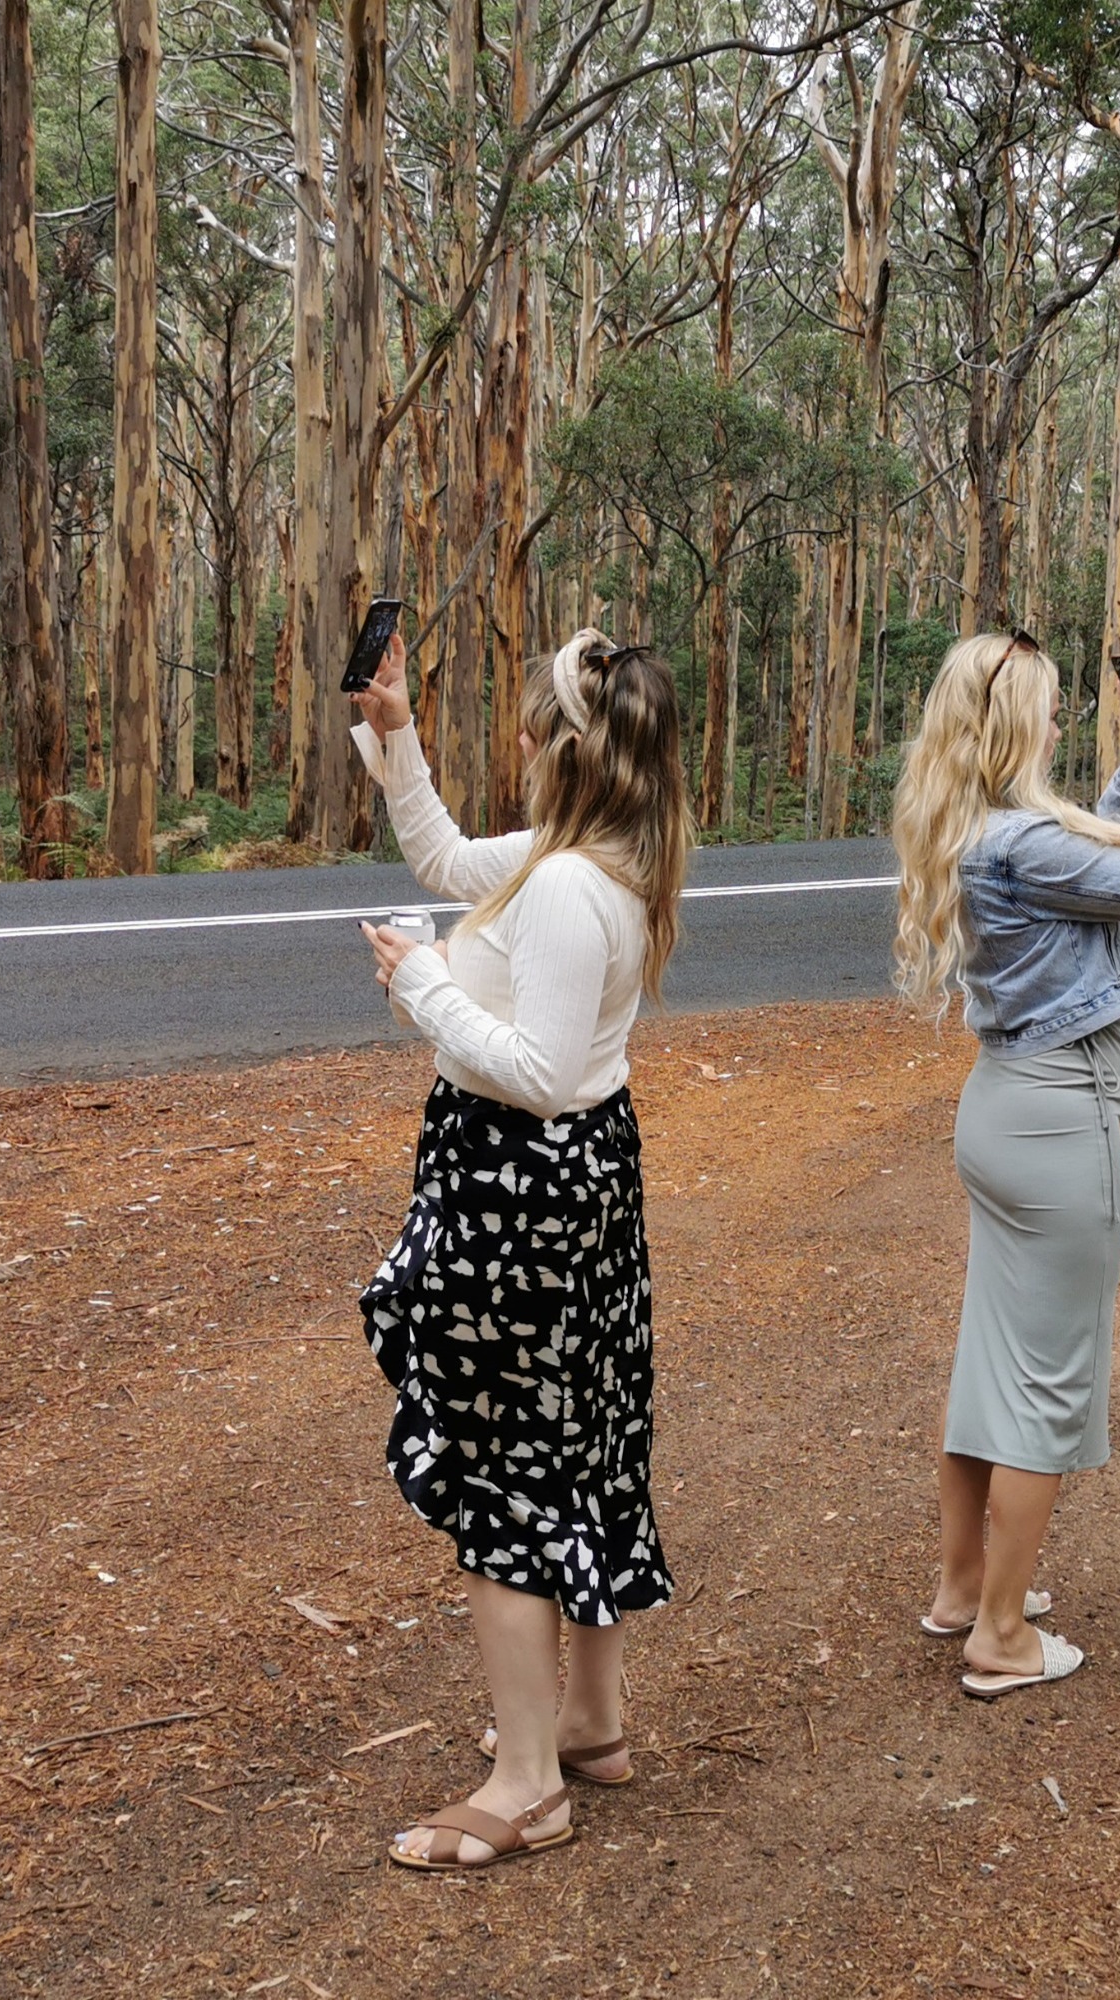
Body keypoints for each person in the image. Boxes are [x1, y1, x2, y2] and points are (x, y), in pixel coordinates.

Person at [348, 625, 692, 1869]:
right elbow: (440, 852)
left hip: (519, 1184)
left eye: (536, 720)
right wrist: (395, 731)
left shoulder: (561, 886)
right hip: (586, 1181)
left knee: (501, 1462)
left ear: (568, 747)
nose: (523, 738)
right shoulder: (603, 856)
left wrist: (426, 984)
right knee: (586, 1436)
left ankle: (526, 1779)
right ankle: (591, 1720)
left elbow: (538, 1074)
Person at [888, 632, 1120, 1699]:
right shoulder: (1021, 841)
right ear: (1009, 724)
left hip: (1001, 1110)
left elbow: (1090, 855)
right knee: (1049, 1384)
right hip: (1059, 1118)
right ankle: (999, 1636)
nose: (1054, 722)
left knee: (992, 1356)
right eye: (1042, 707)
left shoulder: (984, 828)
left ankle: (961, 1585)